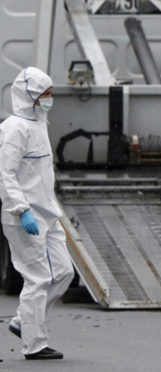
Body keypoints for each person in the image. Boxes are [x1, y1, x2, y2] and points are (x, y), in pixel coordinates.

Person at [0, 67, 74, 360]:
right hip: (23, 216)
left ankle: (22, 322)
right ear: (29, 95)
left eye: (51, 94)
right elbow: (5, 175)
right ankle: (34, 344)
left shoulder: (40, 123)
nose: (49, 99)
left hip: (47, 212)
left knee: (64, 272)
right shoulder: (14, 129)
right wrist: (21, 210)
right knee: (38, 278)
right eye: (45, 94)